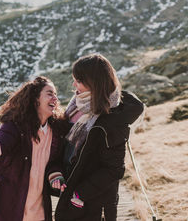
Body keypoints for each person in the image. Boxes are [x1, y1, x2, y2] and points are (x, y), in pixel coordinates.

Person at [51, 54, 144, 221]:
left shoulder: (112, 119)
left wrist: (79, 193)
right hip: (69, 188)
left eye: (78, 80)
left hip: (92, 202)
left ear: (94, 82)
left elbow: (114, 169)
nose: (74, 85)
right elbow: (63, 148)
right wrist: (55, 172)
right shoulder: (76, 106)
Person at [0, 76, 68, 221]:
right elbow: (0, 151)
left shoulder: (56, 131)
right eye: (50, 94)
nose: (55, 98)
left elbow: (55, 161)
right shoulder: (15, 126)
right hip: (3, 206)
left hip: (37, 210)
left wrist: (55, 174)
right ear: (35, 100)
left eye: (55, 95)